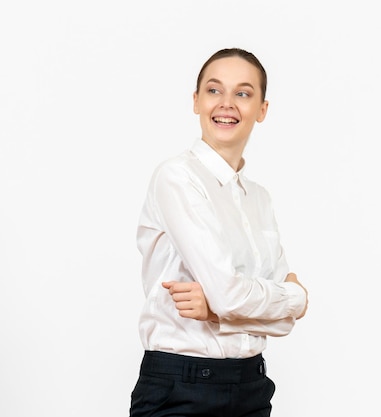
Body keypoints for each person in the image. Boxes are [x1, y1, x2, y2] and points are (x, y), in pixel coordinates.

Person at [129, 47, 309, 417]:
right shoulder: (177, 178)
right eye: (214, 90)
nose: (226, 103)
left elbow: (280, 323)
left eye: (243, 93)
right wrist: (294, 298)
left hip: (252, 386)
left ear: (262, 109)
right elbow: (244, 297)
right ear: (196, 101)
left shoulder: (259, 199)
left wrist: (217, 312)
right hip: (181, 387)